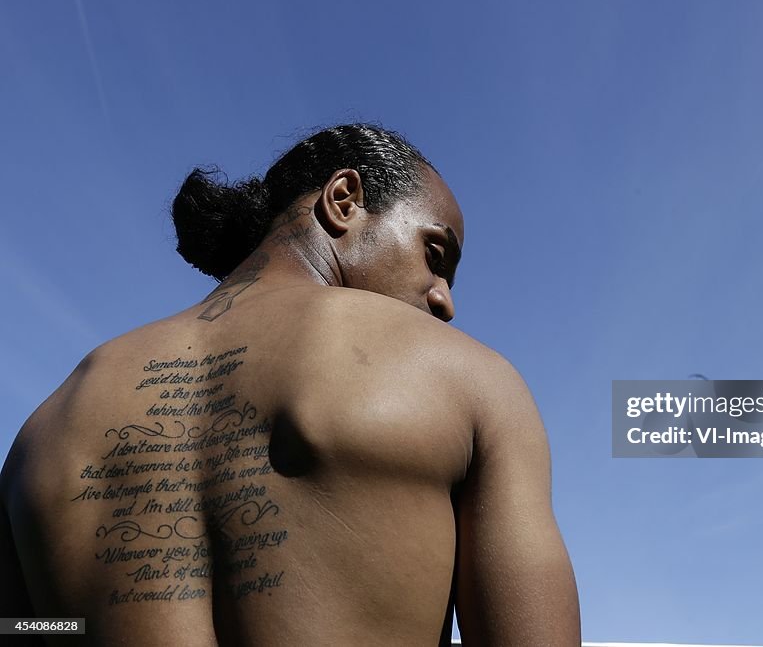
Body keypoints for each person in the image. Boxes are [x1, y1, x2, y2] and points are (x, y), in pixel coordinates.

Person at [0, 124, 581, 645]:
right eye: (435, 255)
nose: (444, 301)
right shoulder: (468, 377)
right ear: (343, 200)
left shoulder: (50, 423)